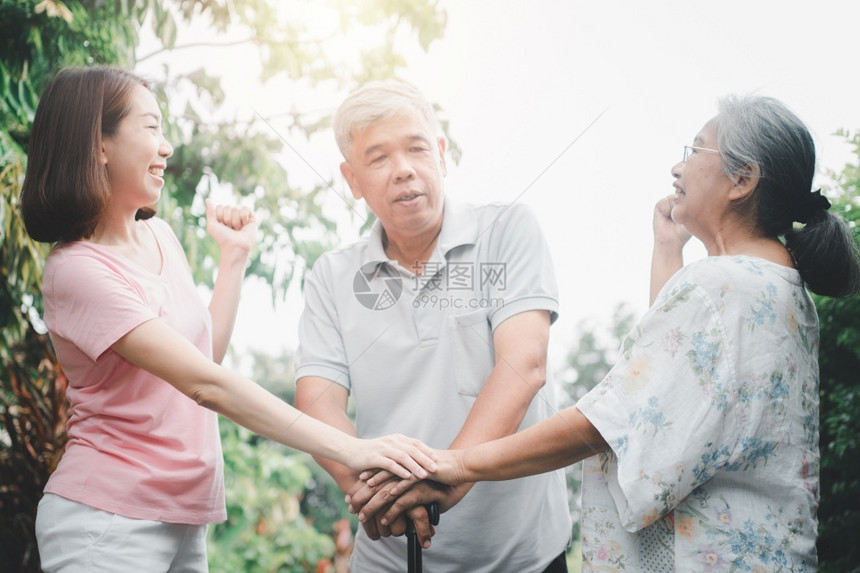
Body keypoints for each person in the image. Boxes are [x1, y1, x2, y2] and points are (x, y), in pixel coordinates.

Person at [399, 95, 860, 571]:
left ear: (741, 180)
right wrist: (668, 247)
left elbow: (610, 421)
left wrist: (456, 465)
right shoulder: (777, 287)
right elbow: (670, 392)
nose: (677, 168)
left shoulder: (720, 287)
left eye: (695, 150)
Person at [20, 66, 438, 573]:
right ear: (99, 144)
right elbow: (205, 384)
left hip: (180, 514)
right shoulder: (78, 271)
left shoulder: (160, 238)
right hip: (107, 521)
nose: (166, 146)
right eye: (151, 127)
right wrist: (355, 450)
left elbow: (199, 360)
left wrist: (233, 259)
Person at [294, 80, 571, 572]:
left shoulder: (507, 230)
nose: (403, 169)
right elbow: (317, 403)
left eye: (417, 148)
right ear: (351, 179)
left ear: (440, 154)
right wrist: (372, 494)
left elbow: (524, 365)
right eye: (378, 158)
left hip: (519, 556)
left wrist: (447, 480)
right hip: (386, 558)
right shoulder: (332, 275)